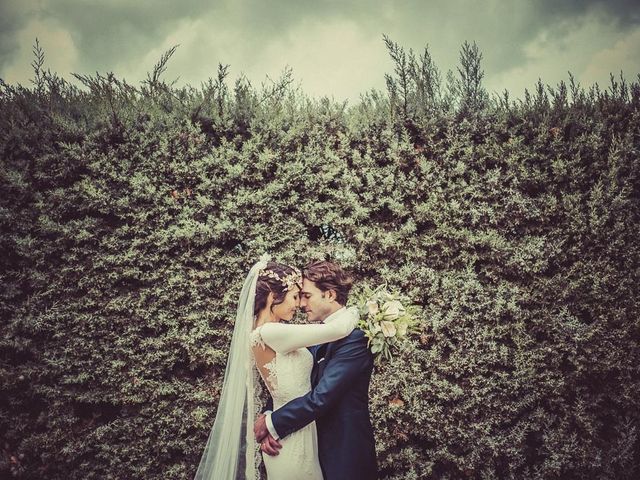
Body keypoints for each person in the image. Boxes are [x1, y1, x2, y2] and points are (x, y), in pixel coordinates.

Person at [194, 255, 358, 479]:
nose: (299, 304)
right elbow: (337, 330)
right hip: (290, 439)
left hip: (293, 429)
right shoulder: (270, 333)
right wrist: (360, 311)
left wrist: (270, 418)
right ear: (273, 297)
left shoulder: (271, 332)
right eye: (294, 296)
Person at [254, 260, 378, 480]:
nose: (301, 304)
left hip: (343, 453)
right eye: (299, 296)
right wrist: (269, 413)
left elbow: (322, 396)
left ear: (329, 295)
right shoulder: (317, 335)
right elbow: (290, 379)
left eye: (307, 296)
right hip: (306, 444)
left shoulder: (355, 338)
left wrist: (273, 424)